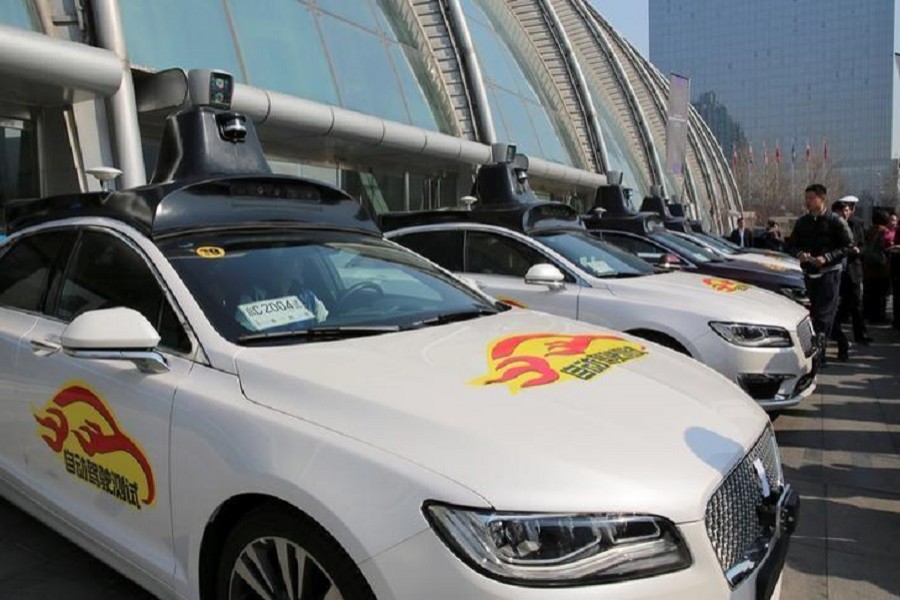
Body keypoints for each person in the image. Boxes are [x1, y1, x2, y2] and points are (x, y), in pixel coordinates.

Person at [786, 184, 853, 366]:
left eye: (811, 198)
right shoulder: (802, 222)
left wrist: (827, 257)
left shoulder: (836, 221)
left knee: (823, 316)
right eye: (806, 198)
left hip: (830, 274)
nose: (807, 202)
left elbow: (848, 246)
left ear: (821, 199)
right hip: (810, 273)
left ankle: (819, 355)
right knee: (819, 314)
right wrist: (800, 254)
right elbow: (791, 245)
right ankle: (842, 343)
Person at [832, 196, 871, 347]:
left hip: (853, 270)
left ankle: (861, 334)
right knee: (837, 305)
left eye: (847, 210)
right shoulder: (831, 226)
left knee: (856, 303)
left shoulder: (856, 225)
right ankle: (835, 334)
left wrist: (858, 250)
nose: (845, 214)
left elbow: (863, 245)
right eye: (842, 211)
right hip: (836, 270)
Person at [863, 208, 893, 323]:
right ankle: (879, 317)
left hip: (868, 267)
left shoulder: (868, 231)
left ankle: (869, 315)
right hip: (882, 268)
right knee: (881, 295)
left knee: (870, 293)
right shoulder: (886, 232)